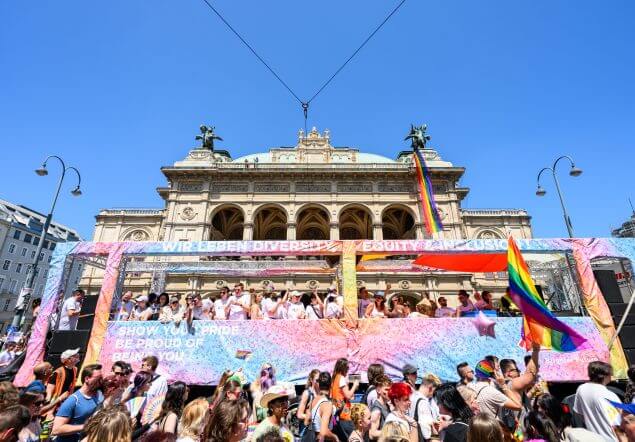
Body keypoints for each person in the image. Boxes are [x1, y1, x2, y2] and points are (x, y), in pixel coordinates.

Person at [52, 363, 104, 442]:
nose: (101, 380)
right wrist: (85, 426)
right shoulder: (73, 400)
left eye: (101, 377)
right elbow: (56, 430)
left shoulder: (99, 395)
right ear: (87, 379)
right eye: (98, 378)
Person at [573, 360, 622, 441]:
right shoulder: (610, 395)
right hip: (611, 439)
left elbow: (580, 413)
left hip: (594, 438)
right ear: (604, 376)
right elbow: (619, 422)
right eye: (610, 374)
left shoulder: (581, 389)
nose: (611, 376)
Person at [331, 358, 359, 440]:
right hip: (345, 413)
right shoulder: (341, 378)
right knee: (352, 437)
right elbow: (348, 396)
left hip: (336, 412)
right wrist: (355, 385)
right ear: (343, 368)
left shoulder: (334, 378)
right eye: (347, 367)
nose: (348, 369)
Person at [309, 372, 338, 442]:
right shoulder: (327, 404)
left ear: (319, 385)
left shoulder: (314, 400)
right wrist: (335, 437)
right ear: (331, 385)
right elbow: (324, 432)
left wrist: (335, 413)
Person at [410, 374, 441, 441]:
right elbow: (426, 432)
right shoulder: (423, 402)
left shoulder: (412, 396)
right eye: (434, 391)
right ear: (430, 388)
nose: (434, 394)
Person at [140, 355, 169, 422]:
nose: (140, 367)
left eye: (143, 365)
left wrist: (155, 420)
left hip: (152, 419)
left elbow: (161, 401)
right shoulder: (142, 378)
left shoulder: (161, 381)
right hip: (140, 417)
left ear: (149, 366)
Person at [369, 374, 393, 440]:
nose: (390, 392)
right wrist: (393, 432)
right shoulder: (377, 410)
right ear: (378, 390)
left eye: (390, 389)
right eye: (386, 389)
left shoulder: (386, 405)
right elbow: (372, 433)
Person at [296, 369, 319, 433]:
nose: (319, 382)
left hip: (317, 430)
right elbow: (299, 414)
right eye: (317, 380)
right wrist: (313, 417)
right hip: (307, 430)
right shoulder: (307, 393)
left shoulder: (321, 394)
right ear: (311, 380)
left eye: (320, 380)